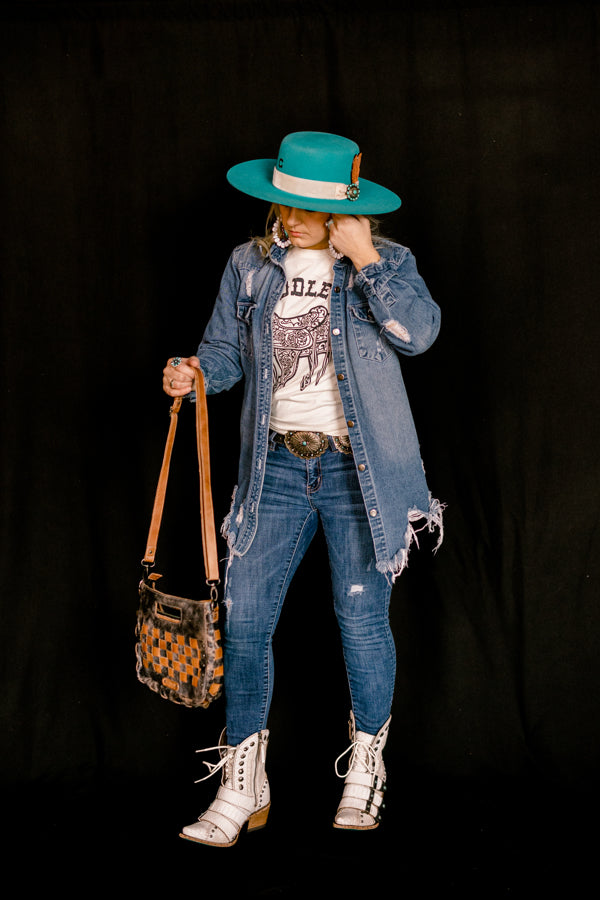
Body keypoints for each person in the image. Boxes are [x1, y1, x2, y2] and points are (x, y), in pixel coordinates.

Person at [162, 131, 444, 847]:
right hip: (276, 469)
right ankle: (244, 779)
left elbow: (419, 335)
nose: (291, 216)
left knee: (360, 622)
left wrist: (367, 260)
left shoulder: (387, 264)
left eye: (307, 207)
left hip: (360, 476)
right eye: (284, 201)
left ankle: (365, 768)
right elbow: (225, 352)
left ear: (345, 212)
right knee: (246, 622)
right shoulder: (249, 267)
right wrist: (196, 373)